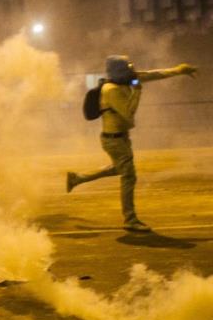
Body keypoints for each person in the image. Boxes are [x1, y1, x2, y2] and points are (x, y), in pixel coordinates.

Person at [66, 55, 198, 232]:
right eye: (128, 69)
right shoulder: (110, 89)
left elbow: (154, 74)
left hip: (118, 138)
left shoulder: (125, 79)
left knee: (119, 168)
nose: (132, 72)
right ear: (119, 71)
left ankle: (78, 178)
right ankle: (130, 219)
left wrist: (178, 70)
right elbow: (128, 116)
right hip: (114, 140)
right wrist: (137, 92)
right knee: (129, 176)